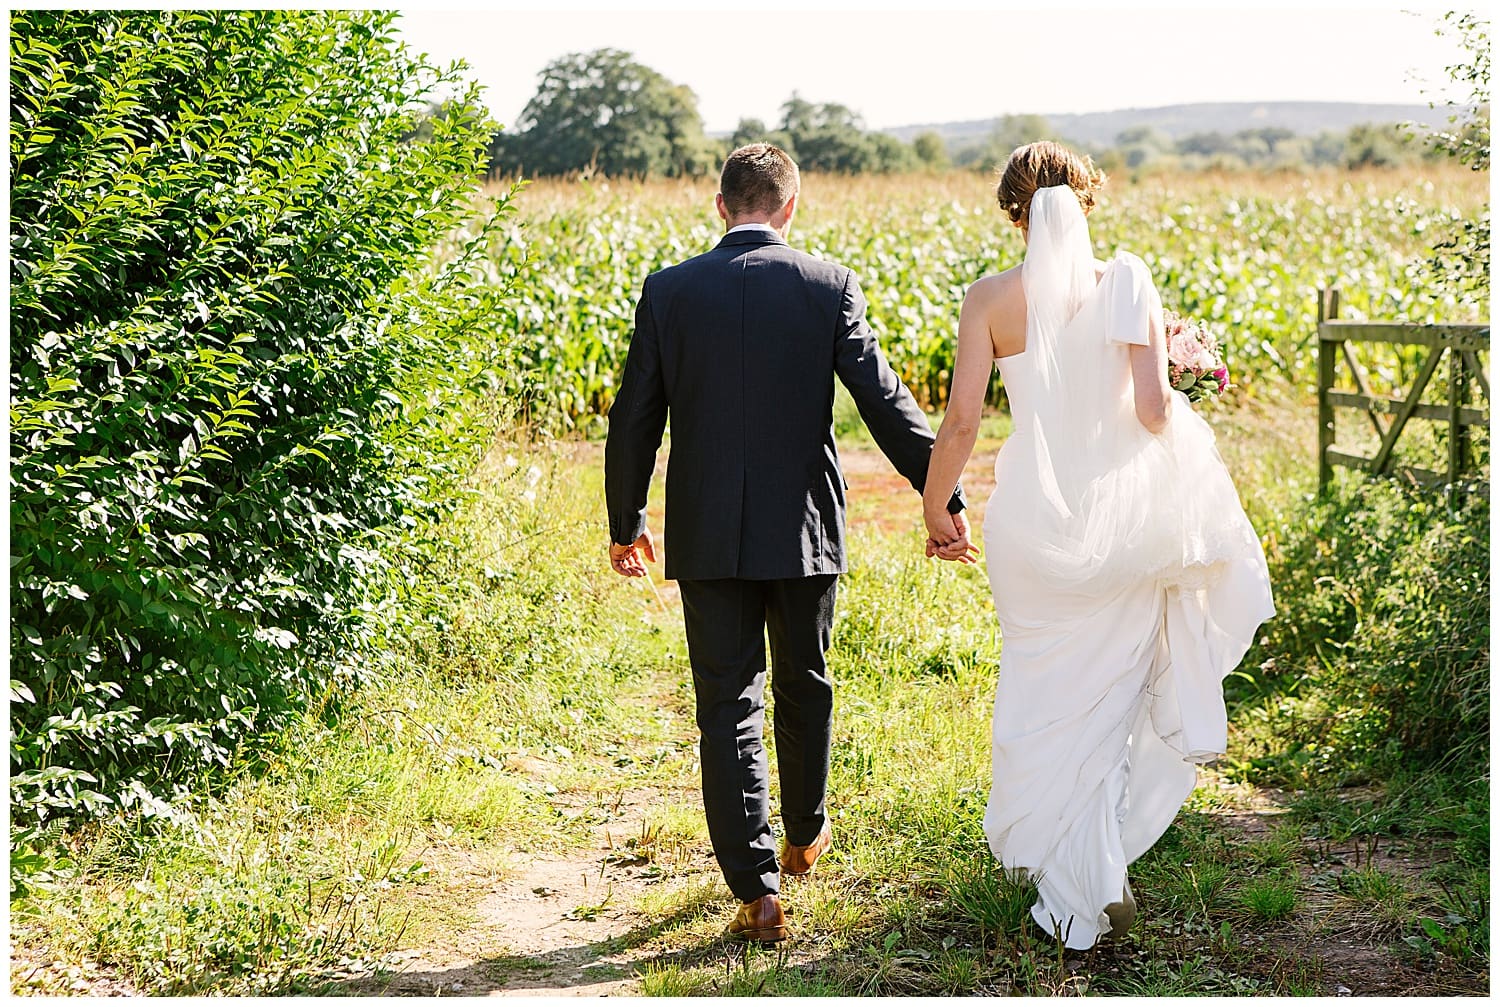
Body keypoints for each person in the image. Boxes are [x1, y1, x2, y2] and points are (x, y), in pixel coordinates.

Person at [605, 144, 970, 944]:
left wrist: (626, 518)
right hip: (805, 528)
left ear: (720, 206)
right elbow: (883, 399)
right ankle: (804, 834)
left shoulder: (670, 291)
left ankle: (757, 890)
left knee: (728, 703)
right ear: (790, 208)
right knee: (806, 680)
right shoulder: (827, 285)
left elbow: (634, 414)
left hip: (705, 533)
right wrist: (941, 494)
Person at [921, 141, 1275, 949]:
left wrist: (937, 502)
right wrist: (1178, 376)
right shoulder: (1128, 283)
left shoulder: (987, 299)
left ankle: (1074, 865)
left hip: (1030, 532)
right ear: (1087, 202)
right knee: (1108, 704)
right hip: (1122, 530)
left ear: (1014, 210)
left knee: (1040, 693)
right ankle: (1093, 867)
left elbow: (965, 420)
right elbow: (1153, 413)